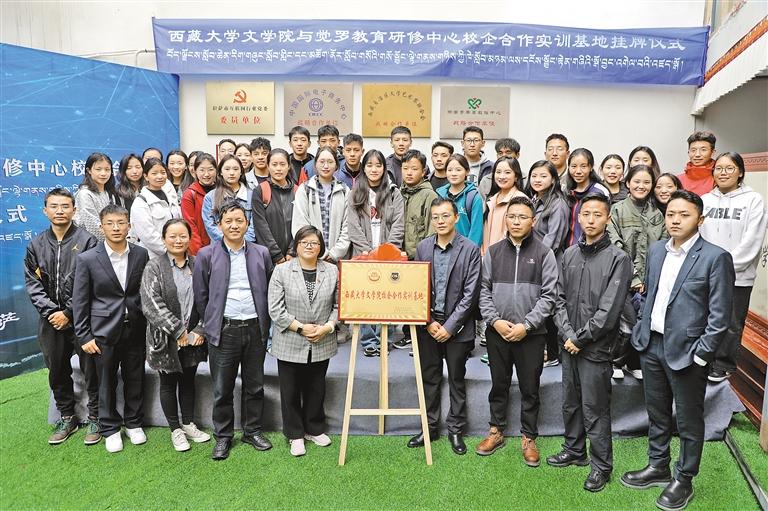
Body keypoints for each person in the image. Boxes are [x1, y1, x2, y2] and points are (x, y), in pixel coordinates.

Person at [621, 190, 735, 511]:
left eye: (684, 215)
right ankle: (658, 466)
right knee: (657, 413)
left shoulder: (715, 257)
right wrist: (642, 331)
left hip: (689, 353)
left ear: (700, 219)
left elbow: (720, 315)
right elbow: (650, 294)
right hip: (652, 345)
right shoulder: (657, 249)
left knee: (688, 419)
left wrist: (702, 354)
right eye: (671, 214)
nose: (675, 220)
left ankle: (684, 478)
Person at [548, 193, 632, 493]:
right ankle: (574, 450)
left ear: (607, 218)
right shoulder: (569, 255)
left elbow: (609, 312)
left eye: (598, 214)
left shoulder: (619, 259)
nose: (591, 220)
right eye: (586, 214)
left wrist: (580, 338)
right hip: (569, 344)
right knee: (570, 402)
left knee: (594, 408)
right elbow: (557, 299)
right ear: (578, 218)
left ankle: (601, 466)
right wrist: (567, 334)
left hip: (596, 348)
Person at [476, 196, 558, 467]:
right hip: (497, 331)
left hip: (531, 334)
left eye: (522, 217)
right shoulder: (493, 252)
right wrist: (495, 321)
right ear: (506, 220)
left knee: (529, 388)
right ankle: (496, 431)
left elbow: (549, 295)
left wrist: (527, 325)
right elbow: (483, 290)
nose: (516, 221)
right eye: (511, 216)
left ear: (533, 221)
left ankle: (529, 437)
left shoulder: (544, 253)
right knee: (498, 384)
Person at [193, 201, 274, 461]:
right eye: (228, 221)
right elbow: (201, 296)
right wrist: (211, 323)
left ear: (247, 224)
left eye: (239, 220)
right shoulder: (206, 255)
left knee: (255, 386)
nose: (234, 225)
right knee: (222, 388)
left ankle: (252, 431)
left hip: (254, 327)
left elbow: (270, 289)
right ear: (219, 225)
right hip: (224, 329)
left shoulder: (261, 253)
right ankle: (223, 436)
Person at [72, 204, 150, 453]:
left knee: (135, 378)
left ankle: (134, 423)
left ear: (129, 226)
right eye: (110, 223)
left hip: (135, 328)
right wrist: (84, 335)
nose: (116, 228)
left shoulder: (140, 254)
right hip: (102, 332)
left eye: (120, 223)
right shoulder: (87, 259)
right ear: (101, 226)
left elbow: (143, 292)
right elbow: (80, 301)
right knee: (105, 382)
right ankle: (110, 428)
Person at [25, 188, 100, 445]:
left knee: (92, 369)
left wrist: (68, 312)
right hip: (50, 321)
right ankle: (67, 416)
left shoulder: (88, 241)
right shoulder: (36, 245)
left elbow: (91, 282)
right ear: (45, 210)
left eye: (65, 206)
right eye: (54, 206)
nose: (60, 211)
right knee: (57, 370)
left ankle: (96, 416)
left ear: (74, 210)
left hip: (81, 319)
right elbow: (33, 284)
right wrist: (52, 313)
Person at [407, 198, 481, 455]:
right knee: (429, 378)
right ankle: (429, 428)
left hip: (457, 329)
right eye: (436, 217)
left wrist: (449, 327)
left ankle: (456, 430)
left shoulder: (470, 249)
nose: (440, 221)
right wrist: (428, 321)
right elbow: (416, 289)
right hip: (428, 326)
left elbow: (471, 294)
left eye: (445, 216)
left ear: (456, 217)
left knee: (457, 379)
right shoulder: (423, 247)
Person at [267, 226, 339, 457]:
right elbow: (275, 309)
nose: (309, 246)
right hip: (290, 338)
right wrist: (300, 327)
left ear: (321, 247)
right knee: (290, 390)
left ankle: (314, 428)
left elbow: (339, 306)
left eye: (314, 243)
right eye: (304, 242)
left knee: (316, 388)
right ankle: (295, 434)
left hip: (322, 339)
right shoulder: (282, 271)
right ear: (296, 246)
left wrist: (327, 328)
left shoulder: (332, 271)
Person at [140, 218, 210, 452]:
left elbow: (208, 299)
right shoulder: (154, 266)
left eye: (182, 236)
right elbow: (151, 304)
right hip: (165, 339)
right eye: (172, 236)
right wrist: (178, 330)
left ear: (189, 238)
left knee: (188, 381)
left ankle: (188, 424)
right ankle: (175, 430)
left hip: (193, 338)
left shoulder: (198, 264)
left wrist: (200, 329)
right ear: (164, 239)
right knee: (168, 383)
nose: (178, 240)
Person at [700, 152, 768, 382]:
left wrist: (725, 267)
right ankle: (703, 358)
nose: (723, 173)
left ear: (740, 172)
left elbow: (752, 241)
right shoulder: (705, 200)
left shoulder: (753, 200)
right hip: (707, 273)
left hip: (738, 276)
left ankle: (723, 364)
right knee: (705, 318)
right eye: (719, 168)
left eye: (729, 168)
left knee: (731, 323)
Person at [606, 165, 667, 380]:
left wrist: (648, 278)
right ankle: (616, 361)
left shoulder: (657, 215)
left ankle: (633, 363)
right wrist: (633, 277)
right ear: (628, 183)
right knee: (625, 323)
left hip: (648, 279)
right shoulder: (617, 210)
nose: (641, 186)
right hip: (621, 277)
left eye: (646, 182)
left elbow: (662, 247)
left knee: (644, 321)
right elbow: (615, 244)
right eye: (637, 181)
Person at [347, 149, 405, 357]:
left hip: (388, 256)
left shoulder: (394, 193)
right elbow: (353, 227)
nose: (374, 169)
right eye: (369, 165)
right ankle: (369, 340)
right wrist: (368, 252)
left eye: (378, 165)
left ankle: (385, 338)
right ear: (363, 168)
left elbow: (398, 224)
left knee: (387, 297)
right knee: (366, 297)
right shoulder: (355, 193)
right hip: (363, 255)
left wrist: (385, 251)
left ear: (384, 168)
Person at [524, 160, 570, 369]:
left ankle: (553, 353)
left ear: (553, 179)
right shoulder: (537, 200)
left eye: (543, 176)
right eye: (534, 175)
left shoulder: (558, 203)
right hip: (537, 259)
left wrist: (536, 260)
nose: (537, 180)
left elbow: (554, 239)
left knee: (551, 306)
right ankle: (547, 351)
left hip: (550, 261)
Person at [292, 146, 350, 263]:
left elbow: (348, 227)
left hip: (337, 259)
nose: (326, 166)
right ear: (315, 165)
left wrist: (334, 254)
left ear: (336, 165)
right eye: (322, 161)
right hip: (310, 257)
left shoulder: (344, 190)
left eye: (330, 162)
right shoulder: (305, 189)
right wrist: (319, 252)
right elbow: (300, 224)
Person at [252, 148, 297, 264]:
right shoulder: (260, 190)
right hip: (269, 257)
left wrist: (292, 251)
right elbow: (260, 225)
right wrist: (276, 254)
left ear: (288, 166)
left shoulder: (298, 191)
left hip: (294, 256)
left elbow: (301, 223)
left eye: (282, 164)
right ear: (268, 166)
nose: (278, 168)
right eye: (274, 164)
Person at [130, 158, 181, 259]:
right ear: (146, 176)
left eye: (163, 172)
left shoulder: (170, 196)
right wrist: (169, 252)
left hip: (176, 252)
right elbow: (148, 235)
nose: (160, 176)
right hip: (153, 256)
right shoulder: (141, 202)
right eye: (154, 173)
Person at [201, 154, 256, 245]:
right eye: (227, 169)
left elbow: (254, 226)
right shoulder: (210, 197)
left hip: (247, 246)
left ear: (241, 172)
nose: (231, 173)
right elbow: (210, 226)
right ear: (221, 172)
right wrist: (229, 242)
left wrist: (241, 243)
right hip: (220, 247)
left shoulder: (252, 195)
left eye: (235, 169)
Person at [435, 154, 484, 247]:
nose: (453, 174)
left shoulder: (473, 197)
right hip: (443, 248)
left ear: (467, 172)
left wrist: (469, 251)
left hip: (466, 250)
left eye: (458, 170)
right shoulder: (440, 195)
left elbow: (476, 231)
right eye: (450, 170)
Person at [565, 148, 610, 246]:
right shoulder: (566, 191)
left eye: (583, 166)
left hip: (593, 249)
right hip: (569, 250)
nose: (578, 171)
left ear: (591, 167)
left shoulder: (600, 191)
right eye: (574, 166)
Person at [481, 157, 526, 255]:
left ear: (516, 177)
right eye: (498, 172)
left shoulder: (520, 200)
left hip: (507, 256)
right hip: (487, 256)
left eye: (507, 172)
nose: (501, 176)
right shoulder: (491, 199)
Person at [74, 152, 120, 241]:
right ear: (89, 170)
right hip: (90, 244)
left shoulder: (109, 193)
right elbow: (92, 226)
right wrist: (114, 241)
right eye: (98, 169)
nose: (103, 173)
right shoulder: (85, 194)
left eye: (107, 169)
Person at [401, 149, 438, 260]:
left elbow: (432, 231)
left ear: (423, 171)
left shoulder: (429, 195)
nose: (409, 173)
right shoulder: (397, 193)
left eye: (414, 169)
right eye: (405, 168)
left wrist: (424, 255)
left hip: (420, 257)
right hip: (397, 256)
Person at [181, 152, 217, 255]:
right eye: (202, 170)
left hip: (223, 246)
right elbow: (190, 225)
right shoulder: (189, 194)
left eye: (210, 169)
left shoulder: (222, 190)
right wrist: (199, 252)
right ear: (195, 171)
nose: (206, 174)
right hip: (201, 249)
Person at [677, 131, 716, 196]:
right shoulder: (678, 180)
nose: (697, 154)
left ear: (712, 152)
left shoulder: (719, 179)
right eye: (693, 150)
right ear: (688, 152)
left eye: (703, 150)